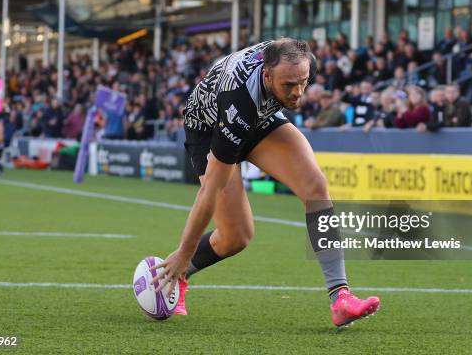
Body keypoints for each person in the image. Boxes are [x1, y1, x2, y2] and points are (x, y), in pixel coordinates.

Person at [150, 38, 380, 328]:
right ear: (267, 75)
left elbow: (293, 74)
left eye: (303, 83)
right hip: (211, 127)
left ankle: (340, 297)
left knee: (315, 187)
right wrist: (185, 252)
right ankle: (180, 271)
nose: (298, 93)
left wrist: (289, 87)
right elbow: (212, 189)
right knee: (236, 237)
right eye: (289, 86)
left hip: (262, 118)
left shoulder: (300, 63)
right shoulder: (239, 101)